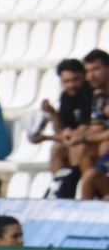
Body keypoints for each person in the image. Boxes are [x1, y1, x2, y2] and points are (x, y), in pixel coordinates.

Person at [32, 57, 91, 196]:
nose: (71, 85)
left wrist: (47, 137)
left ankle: (84, 192)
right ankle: (60, 189)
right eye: (66, 81)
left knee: (77, 148)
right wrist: (52, 113)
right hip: (75, 140)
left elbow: (84, 129)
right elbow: (62, 130)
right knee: (57, 149)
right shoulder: (66, 96)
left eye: (75, 80)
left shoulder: (88, 94)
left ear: (83, 76)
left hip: (87, 141)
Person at [75, 48, 109, 199]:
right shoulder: (99, 94)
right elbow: (96, 128)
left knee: (104, 144)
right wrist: (79, 137)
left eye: (96, 69)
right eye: (87, 71)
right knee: (81, 149)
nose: (90, 76)